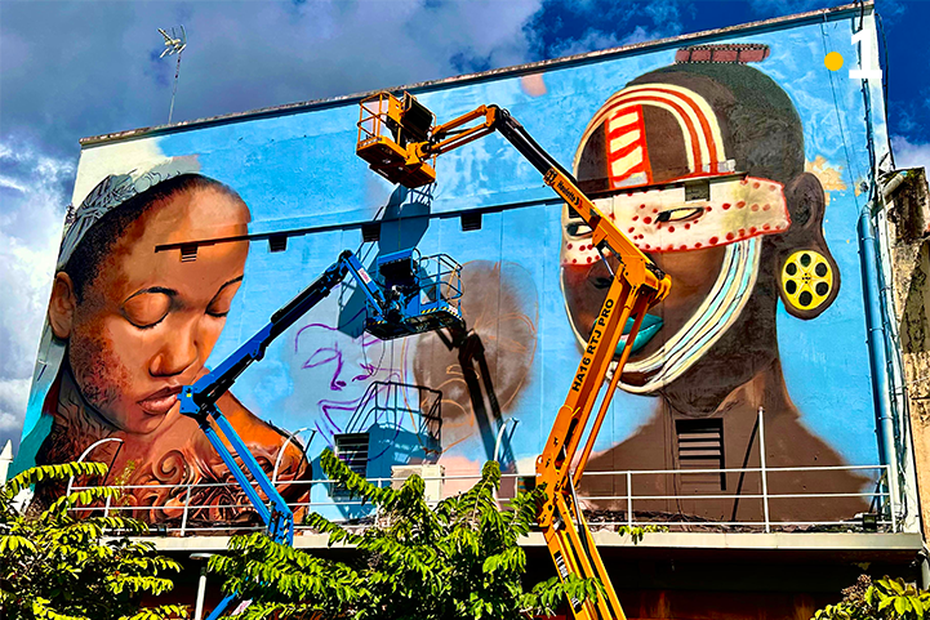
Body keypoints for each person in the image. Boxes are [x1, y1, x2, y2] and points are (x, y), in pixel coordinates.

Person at [562, 50, 868, 523]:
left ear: (797, 217)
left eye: (676, 212)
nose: (616, 267)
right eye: (586, 228)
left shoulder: (852, 499)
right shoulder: (584, 492)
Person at [16, 160, 310, 524]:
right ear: (64, 305)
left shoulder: (266, 464)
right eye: (149, 311)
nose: (181, 359)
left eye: (218, 309)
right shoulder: (40, 436)